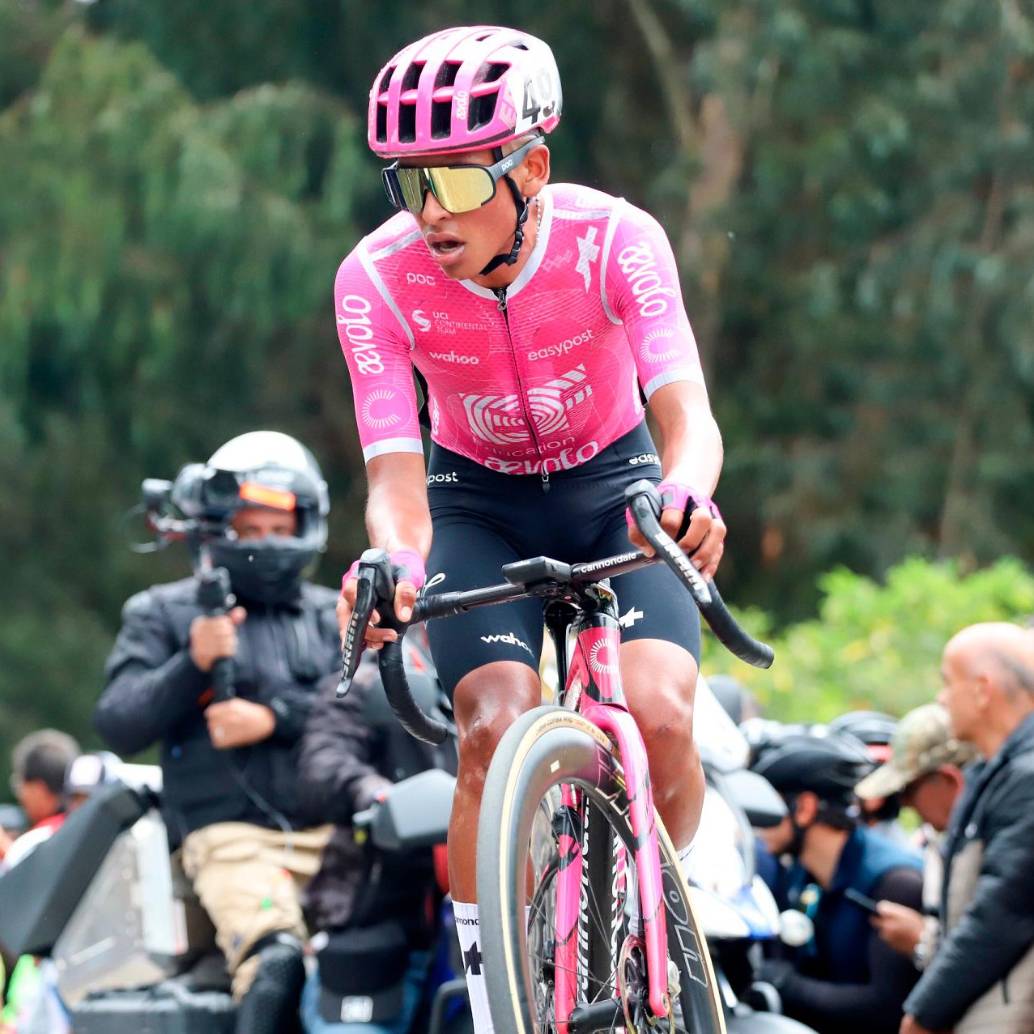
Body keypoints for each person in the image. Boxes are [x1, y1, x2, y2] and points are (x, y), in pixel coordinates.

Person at [334, 25, 726, 1030]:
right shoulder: (375, 279)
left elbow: (687, 417)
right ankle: (491, 988)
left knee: (662, 710)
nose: (430, 214)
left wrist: (687, 492)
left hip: (616, 482)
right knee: (490, 726)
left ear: (531, 166)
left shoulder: (613, 238)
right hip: (477, 501)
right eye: (409, 183)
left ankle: (663, 921)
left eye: (459, 183)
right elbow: (394, 472)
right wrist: (398, 560)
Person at [94, 431, 342, 1034]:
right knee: (278, 960)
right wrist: (193, 663)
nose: (267, 544)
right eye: (249, 530)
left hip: (340, 838)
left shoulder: (333, 612)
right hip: (230, 842)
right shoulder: (164, 611)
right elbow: (118, 722)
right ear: (215, 528)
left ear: (305, 525)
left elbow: (373, 708)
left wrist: (273, 718)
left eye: (278, 529)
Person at [296, 632, 455, 1034]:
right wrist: (378, 796)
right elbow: (322, 763)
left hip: (471, 924)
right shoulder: (366, 681)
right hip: (373, 923)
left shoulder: (498, 693)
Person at [900, 623, 1034, 1034]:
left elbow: (1003, 911)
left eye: (947, 683)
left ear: (981, 689)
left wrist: (922, 1013)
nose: (941, 699)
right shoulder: (995, 771)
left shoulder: (1027, 777)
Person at [750, 728, 924, 1034]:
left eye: (767, 805)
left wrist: (786, 983)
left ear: (804, 808)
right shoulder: (801, 875)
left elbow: (885, 1006)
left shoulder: (894, 883)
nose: (758, 822)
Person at [853, 703, 974, 969]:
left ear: (948, 781)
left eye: (908, 790)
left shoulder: (991, 849)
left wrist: (921, 942)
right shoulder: (939, 844)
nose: (905, 804)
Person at [0, 730, 80, 871]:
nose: (20, 795)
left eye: (21, 785)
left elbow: (16, 883)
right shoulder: (85, 826)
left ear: (38, 789)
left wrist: (6, 851)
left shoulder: (40, 839)